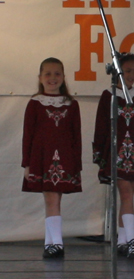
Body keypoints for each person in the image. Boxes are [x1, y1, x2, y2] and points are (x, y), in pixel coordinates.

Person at [93, 53, 134, 260]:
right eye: (127, 71)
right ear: (117, 72)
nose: (131, 75)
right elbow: (101, 126)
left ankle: (122, 240)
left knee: (128, 196)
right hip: (117, 152)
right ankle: (131, 240)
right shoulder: (109, 95)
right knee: (127, 194)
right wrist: (101, 154)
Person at [22, 57, 82, 258]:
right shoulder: (35, 104)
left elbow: (76, 136)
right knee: (50, 198)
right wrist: (27, 164)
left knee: (54, 198)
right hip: (41, 158)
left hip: (65, 158)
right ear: (40, 77)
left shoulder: (71, 105)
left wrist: (77, 164)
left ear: (64, 77)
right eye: (47, 74)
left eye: (57, 74)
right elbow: (28, 135)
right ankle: (55, 243)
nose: (52, 78)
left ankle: (53, 242)